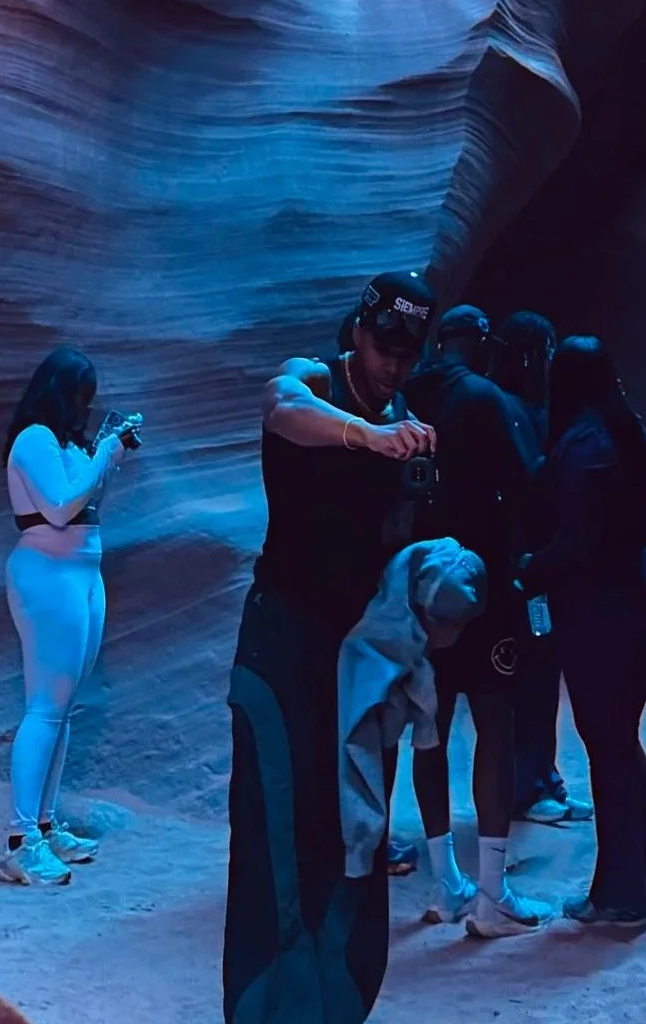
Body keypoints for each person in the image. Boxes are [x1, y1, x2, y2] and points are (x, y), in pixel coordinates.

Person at [225, 271, 438, 1024]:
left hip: (356, 658)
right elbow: (282, 409)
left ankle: (339, 1005)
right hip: (283, 644)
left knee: (355, 833)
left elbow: (384, 543)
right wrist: (371, 438)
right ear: (358, 332)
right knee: (275, 832)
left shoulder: (408, 415)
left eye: (409, 355)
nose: (395, 367)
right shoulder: (313, 381)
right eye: (386, 348)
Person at [403, 306, 546, 935]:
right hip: (481, 589)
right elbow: (527, 486)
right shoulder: (486, 399)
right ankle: (493, 892)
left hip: (418, 587)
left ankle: (445, 883)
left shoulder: (405, 395)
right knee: (494, 723)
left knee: (427, 731)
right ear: (482, 345)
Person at [525, 336, 646, 925]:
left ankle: (622, 894)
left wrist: (529, 569)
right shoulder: (628, 430)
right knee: (619, 738)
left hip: (604, 604)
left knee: (607, 742)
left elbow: (578, 538)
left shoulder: (584, 444)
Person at [0, 345, 141, 884]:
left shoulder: (65, 444)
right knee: (44, 707)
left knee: (63, 708)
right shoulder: (33, 440)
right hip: (47, 577)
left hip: (82, 575)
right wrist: (103, 452)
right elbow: (58, 509)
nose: (86, 407)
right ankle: (20, 839)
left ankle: (44, 823)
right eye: (82, 397)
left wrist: (109, 452)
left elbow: (88, 500)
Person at [486, 309, 584, 826]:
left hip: (542, 566)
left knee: (545, 675)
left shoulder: (533, 407)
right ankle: (525, 786)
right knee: (526, 678)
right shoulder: (507, 408)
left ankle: (544, 776)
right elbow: (526, 482)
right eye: (547, 353)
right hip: (520, 568)